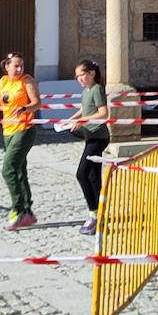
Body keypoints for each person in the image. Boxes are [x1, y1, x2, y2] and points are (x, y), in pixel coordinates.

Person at [0, 52, 41, 229]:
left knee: (8, 169)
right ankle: (28, 211)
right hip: (7, 131)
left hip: (24, 130)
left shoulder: (27, 81)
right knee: (19, 170)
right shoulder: (3, 81)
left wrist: (25, 108)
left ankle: (18, 210)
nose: (19, 69)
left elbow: (37, 103)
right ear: (7, 66)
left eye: (21, 65)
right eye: (16, 66)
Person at [59, 58, 111, 234]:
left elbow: (103, 113)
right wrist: (70, 120)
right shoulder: (86, 91)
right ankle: (101, 213)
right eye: (77, 76)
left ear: (92, 74)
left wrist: (82, 121)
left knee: (81, 174)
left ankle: (93, 213)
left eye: (82, 74)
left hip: (98, 136)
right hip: (90, 136)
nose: (79, 78)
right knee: (94, 176)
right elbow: (84, 109)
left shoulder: (97, 89)